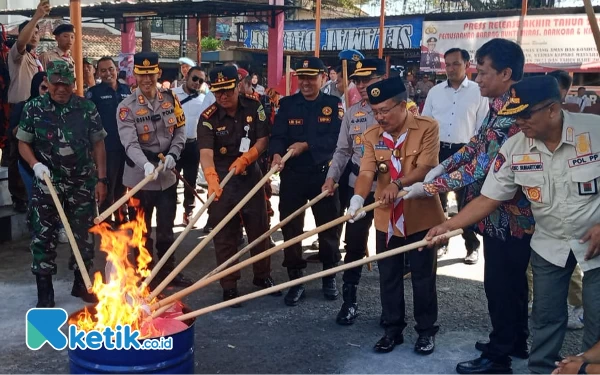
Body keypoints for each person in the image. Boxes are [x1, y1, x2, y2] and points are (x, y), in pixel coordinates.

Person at [424, 75, 600, 375]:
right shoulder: (515, 147)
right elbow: (488, 198)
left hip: (595, 243)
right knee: (545, 316)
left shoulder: (595, 131)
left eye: (525, 115)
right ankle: (543, 370)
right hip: (549, 244)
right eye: (514, 115)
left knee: (597, 319)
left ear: (553, 110)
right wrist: (449, 225)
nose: (518, 123)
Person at [404, 38, 533, 375]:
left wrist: (427, 186)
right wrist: (442, 167)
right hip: (496, 216)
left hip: (509, 217)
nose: (477, 79)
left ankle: (499, 355)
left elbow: (481, 168)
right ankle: (515, 340)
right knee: (512, 284)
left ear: (506, 73)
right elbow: (475, 145)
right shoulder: (499, 106)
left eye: (484, 72)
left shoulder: (514, 116)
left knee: (501, 285)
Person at [347, 75, 445, 354]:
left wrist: (398, 183)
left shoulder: (427, 127)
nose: (379, 117)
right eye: (375, 111)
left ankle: (426, 331)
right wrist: (357, 198)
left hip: (421, 216)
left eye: (385, 110)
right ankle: (392, 329)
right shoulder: (371, 136)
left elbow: (426, 166)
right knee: (388, 275)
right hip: (386, 218)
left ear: (403, 106)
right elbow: (367, 172)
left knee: (423, 277)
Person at [17, 60, 107, 307]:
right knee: (43, 236)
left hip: (81, 183)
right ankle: (45, 292)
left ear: (73, 84)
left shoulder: (86, 108)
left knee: (84, 236)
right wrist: (35, 164)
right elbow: (23, 142)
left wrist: (101, 179)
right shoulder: (34, 108)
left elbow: (98, 143)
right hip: (47, 183)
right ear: (47, 82)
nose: (60, 88)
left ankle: (82, 283)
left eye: (65, 83)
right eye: (55, 83)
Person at [198, 65, 278, 304]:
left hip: (249, 174)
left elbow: (263, 139)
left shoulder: (254, 106)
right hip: (222, 179)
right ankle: (229, 283)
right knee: (225, 234)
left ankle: (262, 276)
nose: (222, 96)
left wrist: (247, 157)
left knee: (258, 229)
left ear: (238, 86)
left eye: (227, 90)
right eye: (217, 91)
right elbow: (205, 152)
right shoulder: (208, 117)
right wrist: (211, 176)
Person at [269, 57, 343, 306]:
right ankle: (295, 277)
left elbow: (336, 140)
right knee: (290, 226)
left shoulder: (333, 105)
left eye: (311, 77)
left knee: (328, 225)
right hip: (293, 174)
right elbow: (278, 134)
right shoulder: (288, 104)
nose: (306, 82)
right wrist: (277, 153)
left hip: (323, 173)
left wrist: (307, 145)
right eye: (302, 77)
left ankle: (328, 274)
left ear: (323, 78)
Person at [116, 52, 193, 289]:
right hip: (140, 178)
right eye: (142, 74)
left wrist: (174, 154)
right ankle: (143, 274)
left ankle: (168, 272)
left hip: (167, 176)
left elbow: (180, 129)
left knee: (167, 231)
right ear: (135, 75)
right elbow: (129, 143)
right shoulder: (126, 107)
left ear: (158, 73)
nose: (146, 79)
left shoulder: (170, 99)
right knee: (141, 232)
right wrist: (146, 164)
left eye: (151, 74)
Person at [322, 59, 385, 325]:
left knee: (388, 247)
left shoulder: (404, 110)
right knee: (354, 244)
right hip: (356, 186)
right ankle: (350, 302)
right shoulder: (352, 112)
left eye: (366, 80)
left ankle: (391, 310)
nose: (360, 85)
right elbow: (343, 150)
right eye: (357, 80)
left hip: (388, 191)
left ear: (383, 78)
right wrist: (330, 178)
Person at [421, 47, 489, 263]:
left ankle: (472, 245)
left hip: (466, 152)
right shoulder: (435, 92)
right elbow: (426, 124)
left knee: (466, 202)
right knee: (437, 202)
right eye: (447, 64)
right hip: (438, 151)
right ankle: (442, 243)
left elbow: (482, 127)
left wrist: (475, 154)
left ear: (467, 65)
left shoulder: (479, 91)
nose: (450, 69)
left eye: (455, 64)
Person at [546, 69, 585, 330]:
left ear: (564, 92)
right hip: (542, 210)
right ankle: (534, 300)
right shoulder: (531, 125)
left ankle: (578, 305)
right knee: (537, 261)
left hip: (572, 212)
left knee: (570, 261)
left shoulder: (580, 126)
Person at [87, 57, 131, 226]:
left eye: (111, 69)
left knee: (124, 183)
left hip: (126, 146)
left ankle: (121, 216)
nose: (108, 73)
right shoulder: (94, 93)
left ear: (116, 69)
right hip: (106, 147)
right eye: (103, 70)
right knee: (107, 184)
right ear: (98, 73)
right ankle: (106, 219)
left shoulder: (126, 90)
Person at [173, 66, 215, 225]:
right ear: (186, 77)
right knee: (172, 180)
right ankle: (169, 212)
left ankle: (188, 212)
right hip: (174, 145)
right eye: (195, 79)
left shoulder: (206, 98)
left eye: (201, 81)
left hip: (194, 144)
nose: (197, 83)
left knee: (191, 181)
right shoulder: (173, 94)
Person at [7, 1, 48, 105]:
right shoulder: (18, 54)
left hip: (36, 107)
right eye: (31, 33)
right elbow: (21, 42)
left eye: (36, 33)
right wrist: (37, 17)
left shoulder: (36, 58)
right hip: (20, 108)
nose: (34, 36)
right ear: (21, 34)